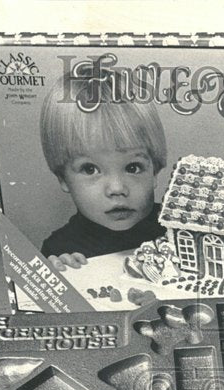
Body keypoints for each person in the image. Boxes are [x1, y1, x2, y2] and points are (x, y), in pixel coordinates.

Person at [39, 75, 167, 270]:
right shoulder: (59, 248)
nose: (117, 189)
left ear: (155, 171)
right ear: (62, 178)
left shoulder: (179, 231)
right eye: (90, 169)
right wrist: (57, 275)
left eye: (133, 167)